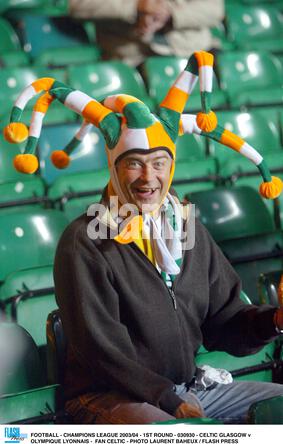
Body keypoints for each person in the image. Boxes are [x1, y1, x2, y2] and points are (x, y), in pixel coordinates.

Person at [4, 51, 283, 424]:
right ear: (115, 168)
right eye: (134, 163)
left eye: (159, 163)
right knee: (181, 437)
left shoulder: (187, 227)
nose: (148, 178)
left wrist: (276, 319)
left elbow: (225, 322)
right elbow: (102, 350)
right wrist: (166, 399)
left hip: (184, 389)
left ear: (172, 165)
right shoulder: (84, 240)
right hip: (105, 397)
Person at [68, 0, 225, 66]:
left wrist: (170, 15)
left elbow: (215, 10)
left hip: (192, 51)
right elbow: (78, 5)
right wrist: (136, 7)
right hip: (132, 58)